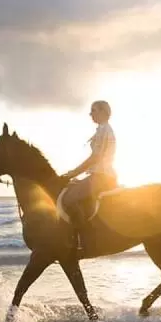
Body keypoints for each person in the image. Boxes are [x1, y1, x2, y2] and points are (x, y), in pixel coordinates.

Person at [61, 100, 118, 251]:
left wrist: (74, 172)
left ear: (103, 112)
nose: (91, 114)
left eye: (94, 110)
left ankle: (81, 240)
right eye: (91, 111)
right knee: (72, 189)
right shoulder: (101, 129)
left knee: (70, 199)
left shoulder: (104, 130)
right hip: (99, 174)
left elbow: (95, 157)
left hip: (102, 176)